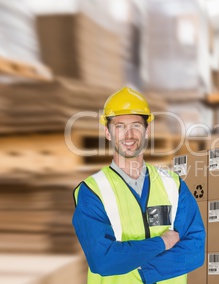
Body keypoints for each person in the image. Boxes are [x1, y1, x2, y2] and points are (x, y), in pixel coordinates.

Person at [72, 86, 205, 284]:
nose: (129, 135)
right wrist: (163, 242)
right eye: (119, 126)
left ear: (147, 130)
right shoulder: (92, 191)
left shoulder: (173, 185)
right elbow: (103, 260)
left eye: (136, 125)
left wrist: (142, 270)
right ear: (107, 133)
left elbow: (195, 249)